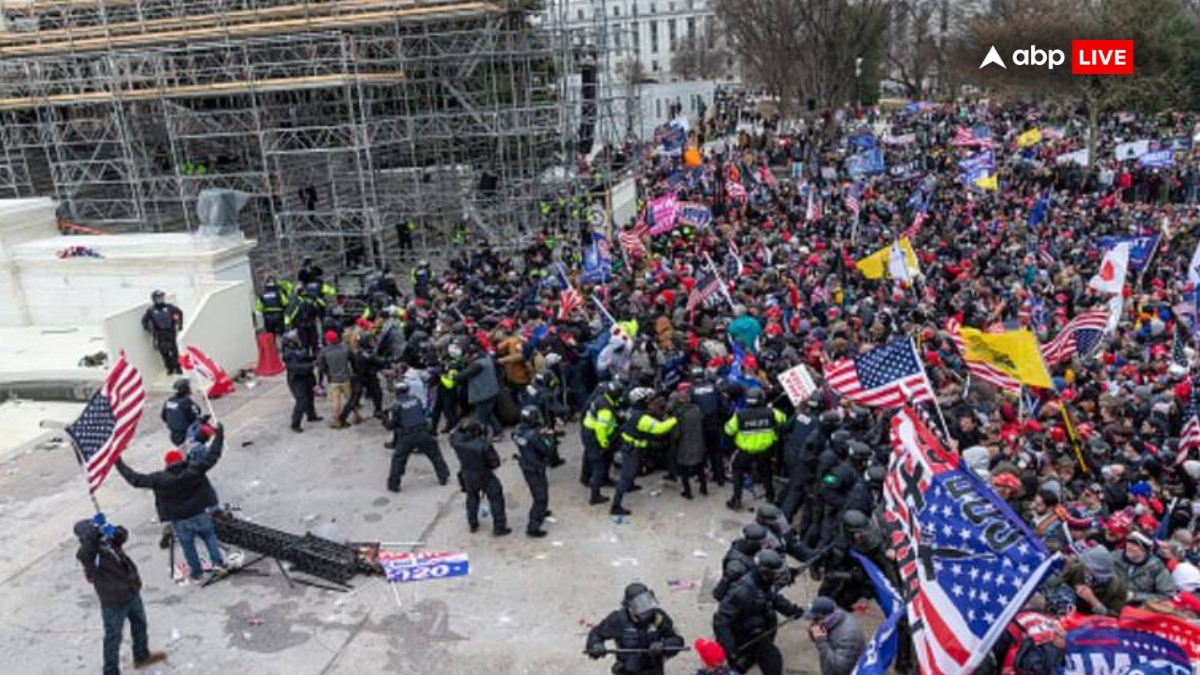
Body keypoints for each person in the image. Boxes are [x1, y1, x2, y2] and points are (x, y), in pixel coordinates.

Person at [114, 424, 227, 582]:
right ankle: (218, 564)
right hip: (199, 512)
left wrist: (117, 462)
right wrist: (219, 434)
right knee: (209, 537)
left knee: (188, 547)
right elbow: (214, 455)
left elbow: (135, 479)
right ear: (181, 460)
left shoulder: (159, 479)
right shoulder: (195, 469)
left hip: (179, 520)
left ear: (167, 465)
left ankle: (197, 573)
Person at [74, 515, 167, 675]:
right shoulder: (87, 554)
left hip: (131, 591)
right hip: (114, 602)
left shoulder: (108, 542)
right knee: (113, 637)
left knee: (140, 624)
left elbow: (122, 536)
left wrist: (112, 529)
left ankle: (141, 656)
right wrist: (94, 533)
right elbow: (87, 550)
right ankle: (110, 671)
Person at [712, 549, 805, 675]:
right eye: (775, 574)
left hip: (759, 630)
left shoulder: (764, 582)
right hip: (741, 636)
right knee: (738, 668)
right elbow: (720, 621)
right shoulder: (742, 591)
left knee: (773, 663)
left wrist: (791, 610)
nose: (778, 577)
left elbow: (773, 597)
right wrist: (732, 651)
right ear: (765, 572)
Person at [586, 583, 686, 675]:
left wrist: (664, 645)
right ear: (629, 607)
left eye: (647, 602)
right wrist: (596, 645)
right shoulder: (618, 619)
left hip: (653, 670)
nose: (646, 609)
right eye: (640, 606)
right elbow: (596, 633)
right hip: (627, 670)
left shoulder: (658, 617)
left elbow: (677, 640)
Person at [611, 389, 679, 517]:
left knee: (633, 471)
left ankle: (630, 486)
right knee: (627, 475)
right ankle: (616, 505)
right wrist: (675, 419)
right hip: (632, 449)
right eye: (647, 400)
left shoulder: (633, 412)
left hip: (631, 446)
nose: (649, 401)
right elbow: (660, 428)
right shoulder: (641, 418)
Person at [723, 387, 787, 510]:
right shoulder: (771, 412)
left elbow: (728, 430)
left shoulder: (739, 415)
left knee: (738, 473)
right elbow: (783, 419)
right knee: (765, 472)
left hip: (745, 451)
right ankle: (770, 496)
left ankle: (736, 499)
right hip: (765, 450)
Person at [383, 381, 451, 492]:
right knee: (435, 454)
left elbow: (390, 426)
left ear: (396, 392)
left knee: (398, 459)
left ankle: (394, 485)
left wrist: (384, 419)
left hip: (407, 436)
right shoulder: (416, 400)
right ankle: (443, 476)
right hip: (424, 432)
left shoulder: (396, 406)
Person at [448, 418, 511, 536]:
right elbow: (495, 462)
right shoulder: (483, 445)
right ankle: (499, 526)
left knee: (472, 497)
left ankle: (472, 523)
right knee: (496, 497)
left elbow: (454, 432)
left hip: (467, 473)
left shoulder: (456, 441)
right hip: (483, 474)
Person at [514, 406, 554, 537]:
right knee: (540, 497)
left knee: (539, 490)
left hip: (526, 464)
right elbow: (548, 451)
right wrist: (549, 437)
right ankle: (533, 527)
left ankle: (541, 511)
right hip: (535, 467)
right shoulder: (534, 437)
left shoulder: (517, 431)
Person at [582, 381, 623, 505]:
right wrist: (603, 442)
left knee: (606, 459)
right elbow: (601, 427)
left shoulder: (603, 398)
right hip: (594, 435)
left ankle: (605, 479)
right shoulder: (606, 410)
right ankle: (595, 496)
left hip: (590, 431)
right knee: (598, 466)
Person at [803, 596, 867, 675]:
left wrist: (821, 641)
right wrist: (812, 631)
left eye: (814, 619)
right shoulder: (832, 618)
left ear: (822, 617)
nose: (812, 622)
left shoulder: (849, 637)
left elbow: (837, 670)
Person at [339, 333, 386, 426]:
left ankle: (378, 410)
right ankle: (342, 418)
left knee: (377, 394)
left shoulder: (359, 352)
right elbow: (379, 362)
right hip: (361, 377)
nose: (373, 343)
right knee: (354, 399)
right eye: (371, 341)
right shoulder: (366, 354)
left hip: (365, 377)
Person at [456, 343, 502, 437]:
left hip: (483, 394)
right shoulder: (487, 357)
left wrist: (453, 376)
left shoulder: (478, 365)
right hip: (491, 391)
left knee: (482, 416)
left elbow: (463, 375)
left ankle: (483, 434)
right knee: (487, 413)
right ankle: (498, 430)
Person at [282, 330, 322, 432]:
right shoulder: (288, 354)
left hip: (307, 377)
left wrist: (315, 357)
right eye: (294, 338)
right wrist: (311, 365)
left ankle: (311, 416)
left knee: (310, 397)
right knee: (301, 401)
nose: (297, 339)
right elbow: (296, 368)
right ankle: (295, 424)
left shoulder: (299, 348)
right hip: (297, 380)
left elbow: (306, 358)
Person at [141, 289, 183, 375]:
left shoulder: (169, 307)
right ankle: (169, 368)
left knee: (174, 351)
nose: (160, 299)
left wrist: (179, 324)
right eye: (158, 298)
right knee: (164, 352)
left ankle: (178, 367)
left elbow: (179, 312)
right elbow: (144, 320)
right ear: (154, 299)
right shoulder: (151, 310)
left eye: (162, 297)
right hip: (159, 334)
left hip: (170, 332)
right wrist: (148, 329)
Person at [317, 329, 353, 429]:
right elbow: (352, 360)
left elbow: (321, 367)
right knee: (351, 400)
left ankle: (336, 421)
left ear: (328, 340)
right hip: (346, 378)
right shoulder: (345, 348)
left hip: (333, 380)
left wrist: (320, 382)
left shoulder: (324, 351)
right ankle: (357, 416)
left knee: (336, 403)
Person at [161, 378, 202, 447]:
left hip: (174, 434)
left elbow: (163, 416)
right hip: (186, 434)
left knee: (182, 453)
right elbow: (196, 413)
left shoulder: (169, 401)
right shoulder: (186, 401)